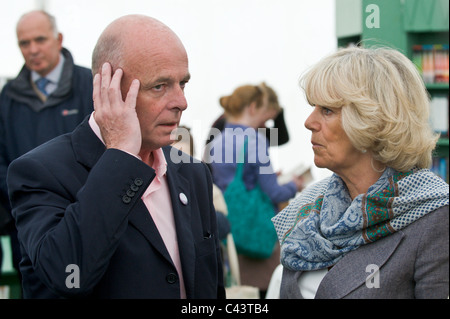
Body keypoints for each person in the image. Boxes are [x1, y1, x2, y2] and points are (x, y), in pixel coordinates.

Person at [7, 14, 225, 299]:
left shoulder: (192, 173)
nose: (181, 102)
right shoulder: (39, 172)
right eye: (159, 86)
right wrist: (121, 155)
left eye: (182, 83)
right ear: (109, 88)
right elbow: (68, 275)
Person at [272, 46, 449, 299]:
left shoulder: (435, 215)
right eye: (314, 107)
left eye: (327, 110)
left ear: (373, 122)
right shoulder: (309, 207)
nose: (309, 122)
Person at [0, 10, 93, 283]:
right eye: (24, 43)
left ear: (59, 39)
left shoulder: (89, 85)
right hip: (28, 228)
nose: (33, 49)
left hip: (83, 222)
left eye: (40, 39)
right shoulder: (8, 97)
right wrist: (23, 197)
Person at [208, 83, 304, 298]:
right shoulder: (255, 141)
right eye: (265, 113)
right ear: (252, 108)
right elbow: (274, 193)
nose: (267, 120)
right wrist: (294, 185)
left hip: (232, 232)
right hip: (258, 232)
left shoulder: (217, 140)